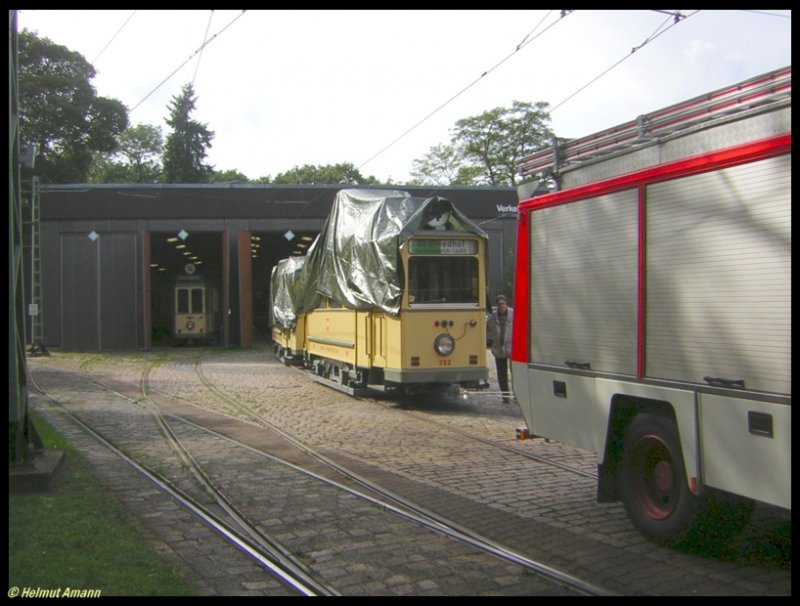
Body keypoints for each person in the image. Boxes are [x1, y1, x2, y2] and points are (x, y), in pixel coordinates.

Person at [487, 294, 513, 403]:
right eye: (499, 304)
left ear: (506, 304)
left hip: (512, 348)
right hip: (499, 349)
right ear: (496, 305)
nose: (501, 306)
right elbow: (487, 328)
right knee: (501, 375)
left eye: (503, 304)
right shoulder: (493, 317)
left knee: (516, 373)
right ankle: (505, 396)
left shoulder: (513, 314)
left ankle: (518, 395)